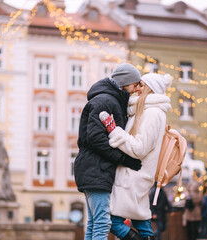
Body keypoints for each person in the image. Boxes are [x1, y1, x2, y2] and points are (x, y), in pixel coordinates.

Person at [74, 63, 143, 240]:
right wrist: (123, 158)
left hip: (94, 167)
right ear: (125, 83)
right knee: (102, 222)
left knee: (94, 222)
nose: (136, 89)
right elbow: (95, 137)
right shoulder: (106, 101)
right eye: (135, 84)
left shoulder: (108, 100)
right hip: (96, 167)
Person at [100, 73, 172, 240]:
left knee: (111, 221)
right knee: (141, 221)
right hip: (135, 174)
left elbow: (140, 148)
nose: (136, 88)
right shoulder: (143, 111)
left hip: (133, 176)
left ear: (150, 89)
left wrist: (114, 131)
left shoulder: (153, 113)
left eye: (141, 85)